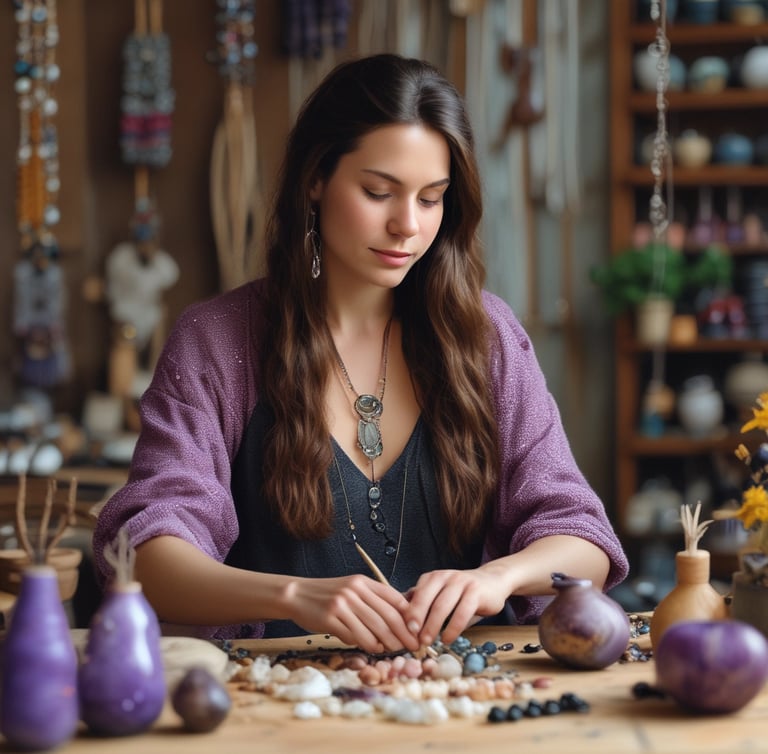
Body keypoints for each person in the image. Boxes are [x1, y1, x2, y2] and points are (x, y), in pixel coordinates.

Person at [93, 53, 628, 653]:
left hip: (459, 704)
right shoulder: (216, 343)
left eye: (431, 198)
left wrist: (494, 579)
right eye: (379, 192)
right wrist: (294, 595)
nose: (407, 225)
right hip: (271, 709)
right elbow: (146, 554)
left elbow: (582, 539)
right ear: (316, 179)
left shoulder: (486, 336)